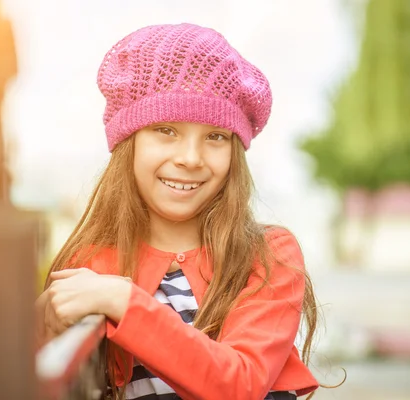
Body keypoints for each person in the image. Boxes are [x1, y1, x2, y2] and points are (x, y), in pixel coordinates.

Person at [37, 23, 321, 400]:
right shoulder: (91, 265)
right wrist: (43, 324)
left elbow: (240, 384)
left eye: (215, 137)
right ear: (128, 143)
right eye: (166, 130)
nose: (190, 158)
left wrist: (123, 301)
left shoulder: (268, 256)